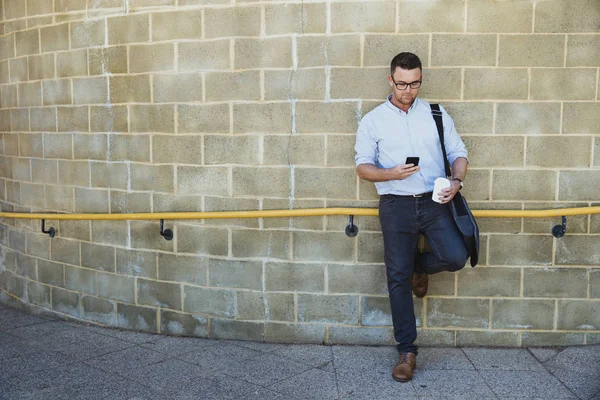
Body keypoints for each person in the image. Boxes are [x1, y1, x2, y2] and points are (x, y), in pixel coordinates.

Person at [354, 52, 469, 383]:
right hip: (395, 204)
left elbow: (458, 153)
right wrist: (390, 172)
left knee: (456, 255)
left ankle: (421, 265)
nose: (408, 90)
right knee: (397, 278)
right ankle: (407, 351)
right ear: (391, 80)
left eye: (415, 83)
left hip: (435, 202)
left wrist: (457, 182)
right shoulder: (373, 120)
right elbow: (362, 167)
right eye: (402, 83)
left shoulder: (435, 113)